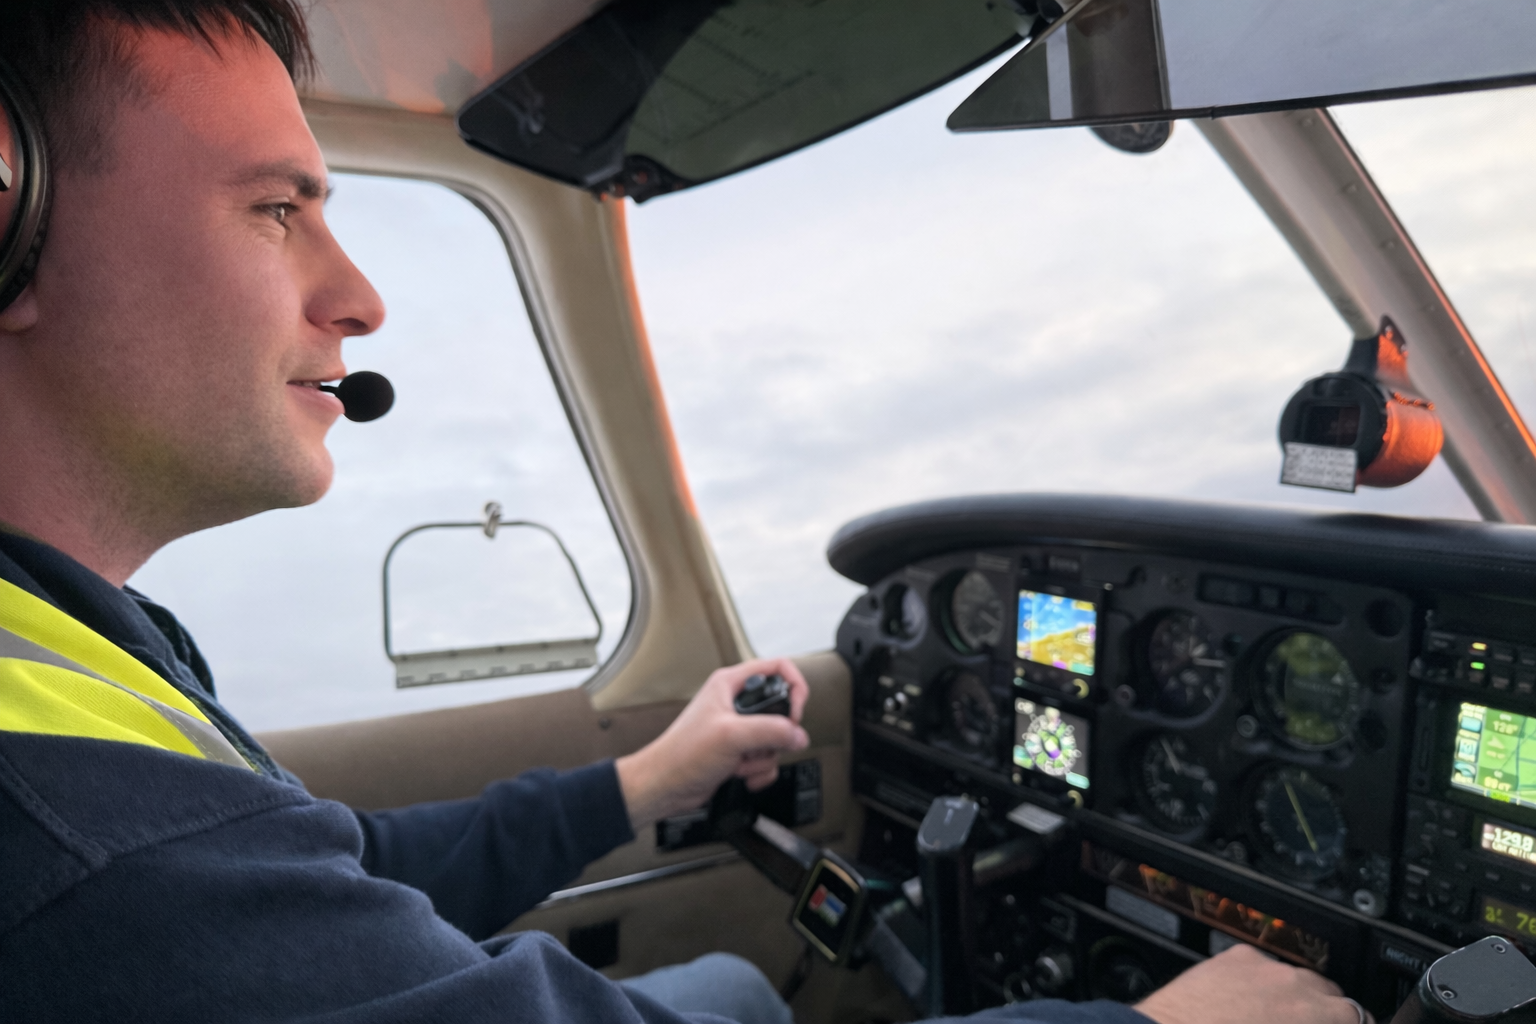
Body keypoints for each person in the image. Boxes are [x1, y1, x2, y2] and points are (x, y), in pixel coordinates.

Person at [0, 3, 1370, 1022]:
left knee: (729, 983)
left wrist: (648, 779)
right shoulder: (84, 840)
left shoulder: (68, 646)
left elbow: (327, 873)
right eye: (274, 209)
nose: (358, 296)